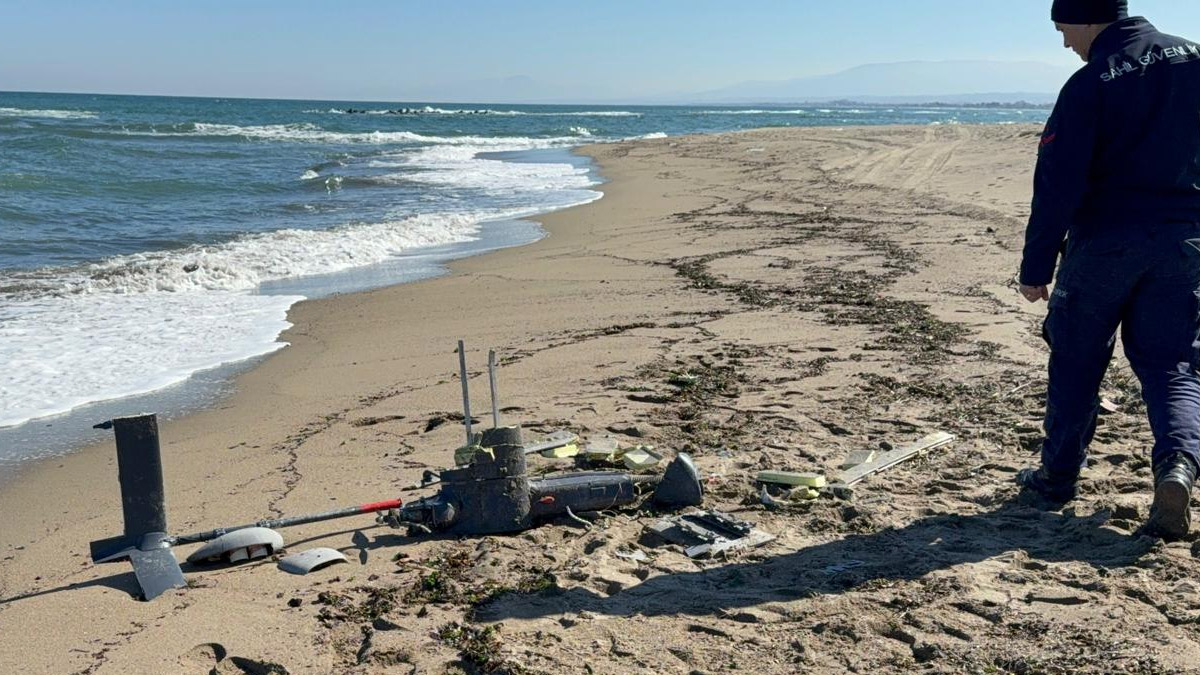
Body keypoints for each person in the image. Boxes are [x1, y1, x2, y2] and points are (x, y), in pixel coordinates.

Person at [1016, 0, 1200, 540]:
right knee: (1174, 365)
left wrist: (1036, 263)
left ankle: (1056, 478)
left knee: (1076, 359)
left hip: (1104, 244)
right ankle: (1178, 468)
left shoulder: (1090, 82)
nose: (1065, 41)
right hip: (1182, 243)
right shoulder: (1195, 57)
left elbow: (1057, 180)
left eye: (1064, 28)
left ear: (1090, 19)